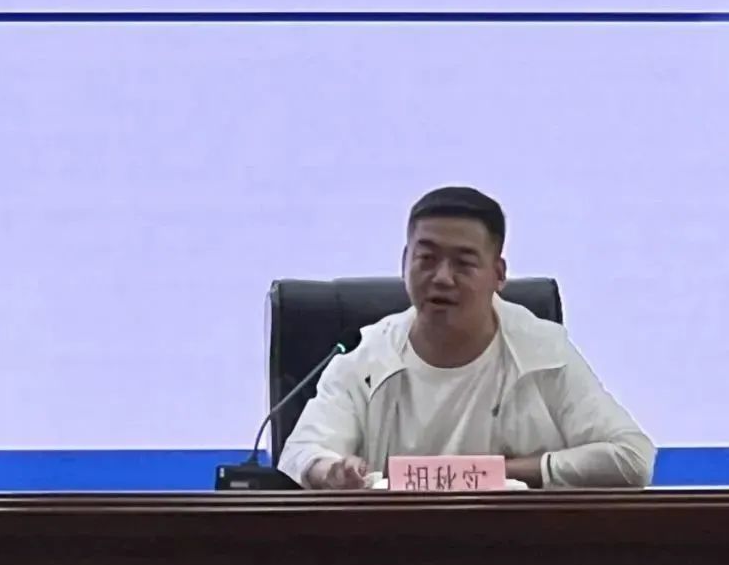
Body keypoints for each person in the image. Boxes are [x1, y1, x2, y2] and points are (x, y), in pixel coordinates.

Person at [278, 186, 656, 490]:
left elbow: (631, 459)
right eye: (427, 259)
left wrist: (493, 474)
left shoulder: (542, 351)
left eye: (463, 263)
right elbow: (302, 451)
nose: (442, 278)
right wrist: (330, 472)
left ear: (498, 274)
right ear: (405, 262)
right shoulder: (366, 354)